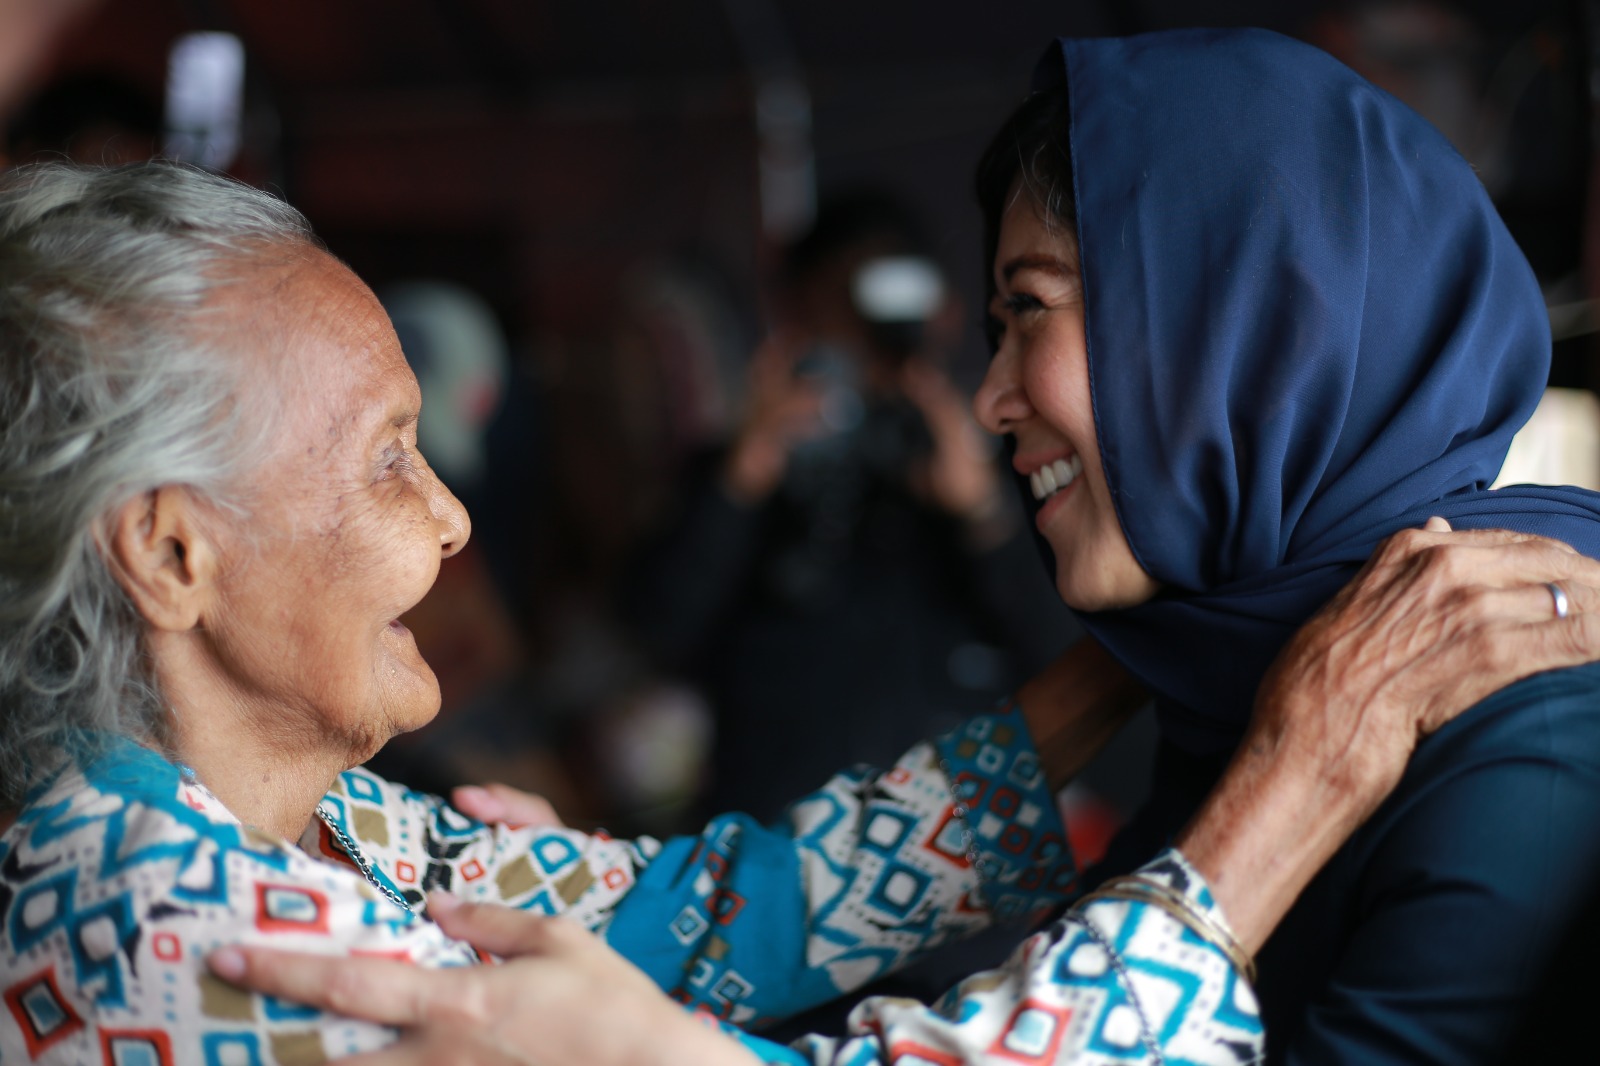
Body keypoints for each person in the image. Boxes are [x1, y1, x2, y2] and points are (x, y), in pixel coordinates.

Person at [0, 152, 1591, 1066]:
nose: (454, 514)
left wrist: (1157, 624)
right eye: (387, 459)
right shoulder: (181, 933)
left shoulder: (329, 824)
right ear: (172, 554)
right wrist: (1304, 766)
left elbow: (713, 910)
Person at [965, 27, 1600, 1064]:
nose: (988, 400)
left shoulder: (1524, 738)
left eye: (1028, 308)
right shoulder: (1251, 704)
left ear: (1246, 323)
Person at [623, 191, 1076, 826]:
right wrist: (741, 481)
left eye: (885, 306)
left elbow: (1075, 658)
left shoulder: (1008, 468)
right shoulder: (746, 467)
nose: (866, 336)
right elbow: (654, 630)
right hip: (775, 836)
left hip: (963, 848)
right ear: (794, 320)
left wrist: (982, 514)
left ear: (942, 312)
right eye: (838, 308)